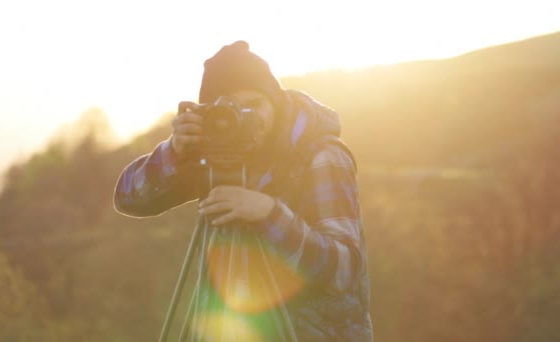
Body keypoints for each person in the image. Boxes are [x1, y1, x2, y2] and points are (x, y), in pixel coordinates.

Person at [113, 40, 372, 341]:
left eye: (256, 104)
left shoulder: (321, 155)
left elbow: (343, 270)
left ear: (276, 102)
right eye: (233, 107)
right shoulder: (216, 156)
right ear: (213, 113)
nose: (250, 117)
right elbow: (127, 198)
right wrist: (174, 152)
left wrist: (269, 214)